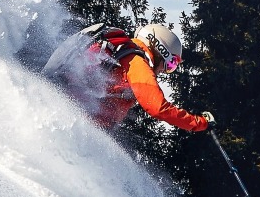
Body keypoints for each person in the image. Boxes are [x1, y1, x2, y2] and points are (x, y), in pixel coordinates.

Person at [44, 22, 212, 135]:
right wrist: (200, 123)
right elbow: (158, 108)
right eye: (171, 64)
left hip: (67, 106)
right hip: (71, 115)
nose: (165, 71)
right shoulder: (136, 62)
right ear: (160, 50)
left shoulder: (123, 54)